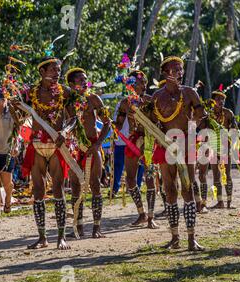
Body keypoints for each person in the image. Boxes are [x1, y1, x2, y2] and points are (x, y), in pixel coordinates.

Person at [19, 56, 77, 250]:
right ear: (42, 72)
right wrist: (12, 108)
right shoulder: (30, 93)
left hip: (56, 144)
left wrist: (65, 131)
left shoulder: (65, 92)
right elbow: (20, 116)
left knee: (59, 189)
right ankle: (42, 237)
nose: (57, 73)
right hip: (36, 144)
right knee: (38, 191)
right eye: (53, 70)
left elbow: (73, 119)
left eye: (58, 70)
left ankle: (61, 237)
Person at [151, 56, 206, 251]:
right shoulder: (157, 96)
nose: (179, 73)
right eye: (175, 69)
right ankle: (174, 238)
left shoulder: (189, 93)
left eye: (181, 69)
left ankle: (192, 239)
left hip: (185, 143)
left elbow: (201, 116)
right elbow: (152, 122)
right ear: (165, 73)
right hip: (165, 146)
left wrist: (192, 129)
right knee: (169, 190)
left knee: (188, 189)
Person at [65, 68, 111, 238]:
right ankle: (78, 226)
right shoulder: (67, 102)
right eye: (80, 80)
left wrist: (98, 144)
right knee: (75, 186)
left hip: (92, 146)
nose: (85, 82)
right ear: (71, 84)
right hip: (75, 148)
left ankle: (97, 227)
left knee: (96, 185)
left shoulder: (94, 99)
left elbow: (107, 123)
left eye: (86, 79)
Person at [114, 70, 158, 229]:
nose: (144, 85)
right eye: (141, 82)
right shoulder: (125, 102)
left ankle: (151, 216)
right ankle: (142, 213)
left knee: (150, 178)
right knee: (131, 179)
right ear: (131, 85)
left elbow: (157, 122)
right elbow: (118, 124)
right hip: (132, 141)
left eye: (145, 82)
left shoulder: (150, 100)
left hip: (148, 141)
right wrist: (111, 126)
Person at [209, 90, 237, 209]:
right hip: (213, 147)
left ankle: (229, 202)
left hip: (226, 147)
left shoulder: (228, 113)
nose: (221, 101)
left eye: (223, 99)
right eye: (218, 99)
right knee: (215, 175)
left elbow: (235, 129)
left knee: (228, 174)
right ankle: (219, 201)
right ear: (213, 101)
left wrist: (231, 141)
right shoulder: (209, 114)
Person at [0, 88, 20, 216]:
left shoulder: (11, 114)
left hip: (7, 152)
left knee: (7, 183)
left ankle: (8, 201)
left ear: (4, 100)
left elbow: (17, 132)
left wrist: (16, 146)